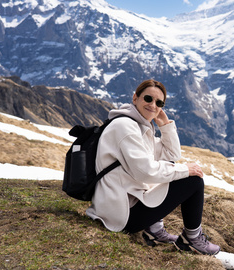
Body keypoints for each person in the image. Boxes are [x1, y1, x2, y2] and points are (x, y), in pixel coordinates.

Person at [86, 79, 220, 256]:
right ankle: (192, 239)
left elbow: (171, 156)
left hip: (123, 204)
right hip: (122, 216)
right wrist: (186, 170)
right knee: (193, 181)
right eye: (148, 98)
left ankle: (154, 230)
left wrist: (165, 126)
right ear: (135, 98)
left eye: (159, 102)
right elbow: (146, 172)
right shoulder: (125, 127)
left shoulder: (137, 125)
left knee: (170, 168)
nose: (153, 105)